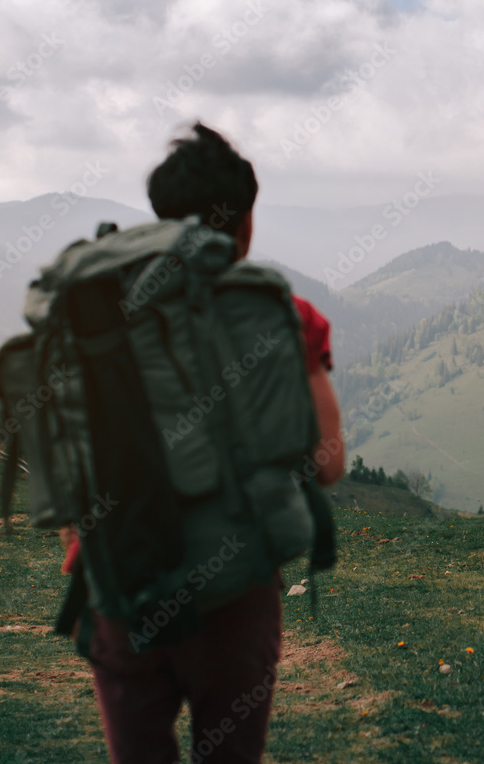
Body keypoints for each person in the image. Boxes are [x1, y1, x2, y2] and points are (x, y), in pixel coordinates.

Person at [62, 122, 344, 764]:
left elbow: (68, 454)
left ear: (160, 219)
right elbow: (330, 463)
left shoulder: (97, 308)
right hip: (237, 591)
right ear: (244, 223)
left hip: (118, 582)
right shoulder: (287, 314)